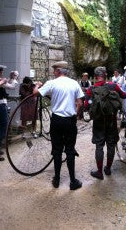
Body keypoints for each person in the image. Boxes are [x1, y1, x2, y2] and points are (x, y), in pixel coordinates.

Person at [33, 61, 84, 190]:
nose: (54, 72)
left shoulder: (52, 83)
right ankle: (73, 181)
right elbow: (80, 103)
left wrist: (37, 85)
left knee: (57, 150)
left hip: (56, 120)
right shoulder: (74, 83)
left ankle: (56, 180)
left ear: (58, 71)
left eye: (54, 70)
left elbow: (35, 93)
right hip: (70, 120)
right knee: (70, 150)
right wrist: (76, 115)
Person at [85, 66, 126, 180]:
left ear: (96, 75)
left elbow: (86, 105)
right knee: (111, 144)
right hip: (111, 120)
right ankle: (108, 169)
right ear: (105, 75)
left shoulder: (91, 88)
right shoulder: (113, 85)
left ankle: (99, 172)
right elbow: (124, 95)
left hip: (98, 121)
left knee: (99, 145)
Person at [0, 65, 18, 161]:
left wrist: (10, 78)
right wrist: (14, 78)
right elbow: (11, 87)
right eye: (1, 71)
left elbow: (6, 83)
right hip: (0, 105)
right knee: (3, 127)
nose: (2, 72)